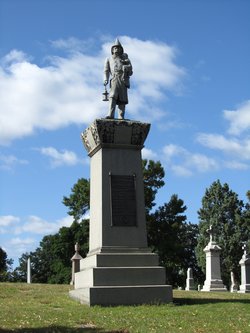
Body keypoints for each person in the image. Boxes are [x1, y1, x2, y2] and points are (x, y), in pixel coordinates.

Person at [103, 39, 133, 119]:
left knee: (122, 99)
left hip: (123, 80)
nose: (116, 49)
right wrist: (105, 79)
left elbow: (131, 71)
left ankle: (121, 116)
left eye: (118, 48)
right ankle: (110, 114)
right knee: (112, 96)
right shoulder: (108, 59)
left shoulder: (125, 59)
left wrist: (126, 68)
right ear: (112, 50)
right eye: (115, 48)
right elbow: (106, 70)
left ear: (121, 49)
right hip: (114, 79)